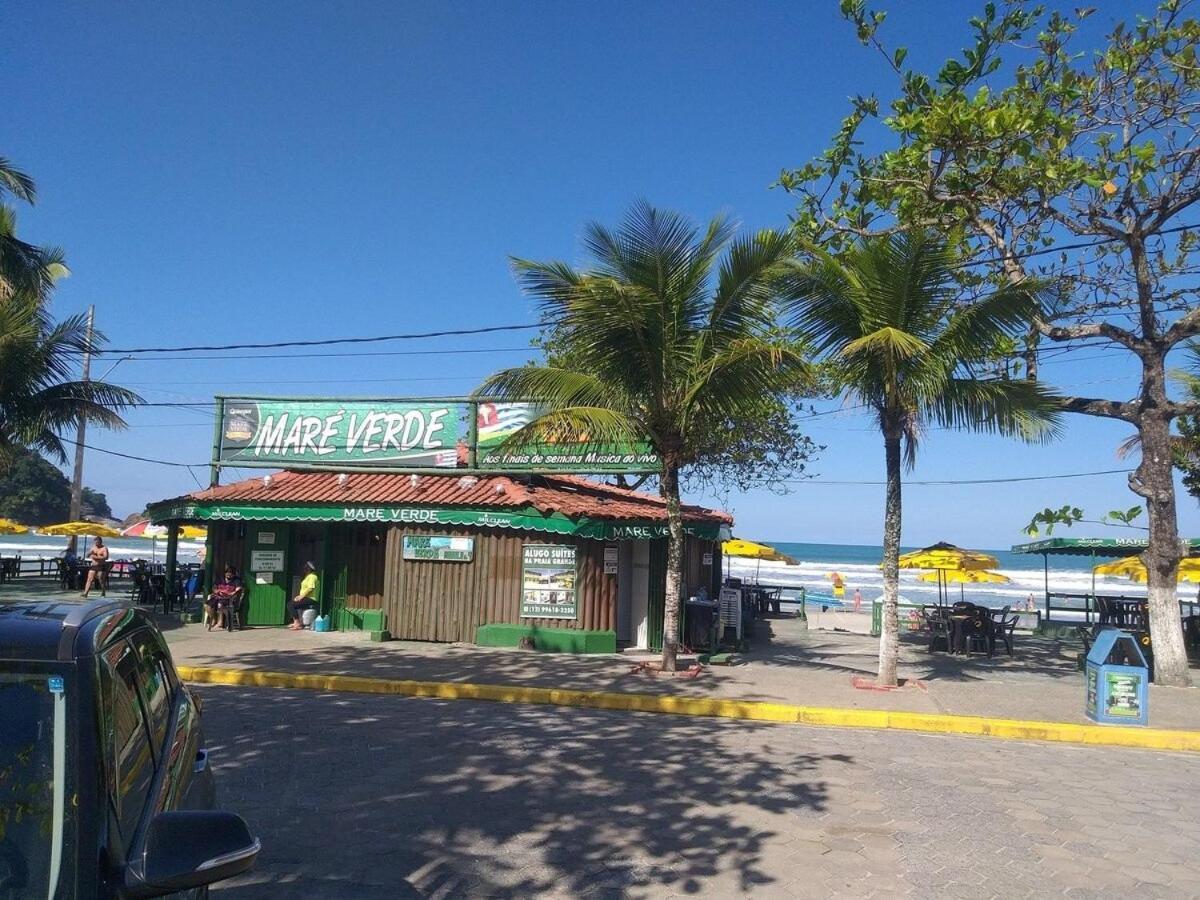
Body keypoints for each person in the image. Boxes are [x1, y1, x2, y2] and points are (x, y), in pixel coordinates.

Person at [206, 566, 244, 631]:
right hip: (218, 596)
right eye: (227, 572)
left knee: (220, 605)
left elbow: (239, 589)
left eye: (231, 573)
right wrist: (217, 591)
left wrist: (232, 593)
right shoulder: (220, 579)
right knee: (207, 605)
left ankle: (222, 622)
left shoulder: (236, 580)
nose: (228, 574)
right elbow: (214, 587)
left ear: (233, 574)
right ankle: (214, 619)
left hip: (228, 598)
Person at [288, 561, 319, 630]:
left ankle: (297, 623)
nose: (304, 569)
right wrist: (299, 596)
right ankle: (299, 623)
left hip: (311, 598)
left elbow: (310, 588)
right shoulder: (307, 576)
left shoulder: (312, 576)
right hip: (306, 597)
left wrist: (301, 597)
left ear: (308, 568)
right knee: (295, 605)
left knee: (290, 604)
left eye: (305, 567)